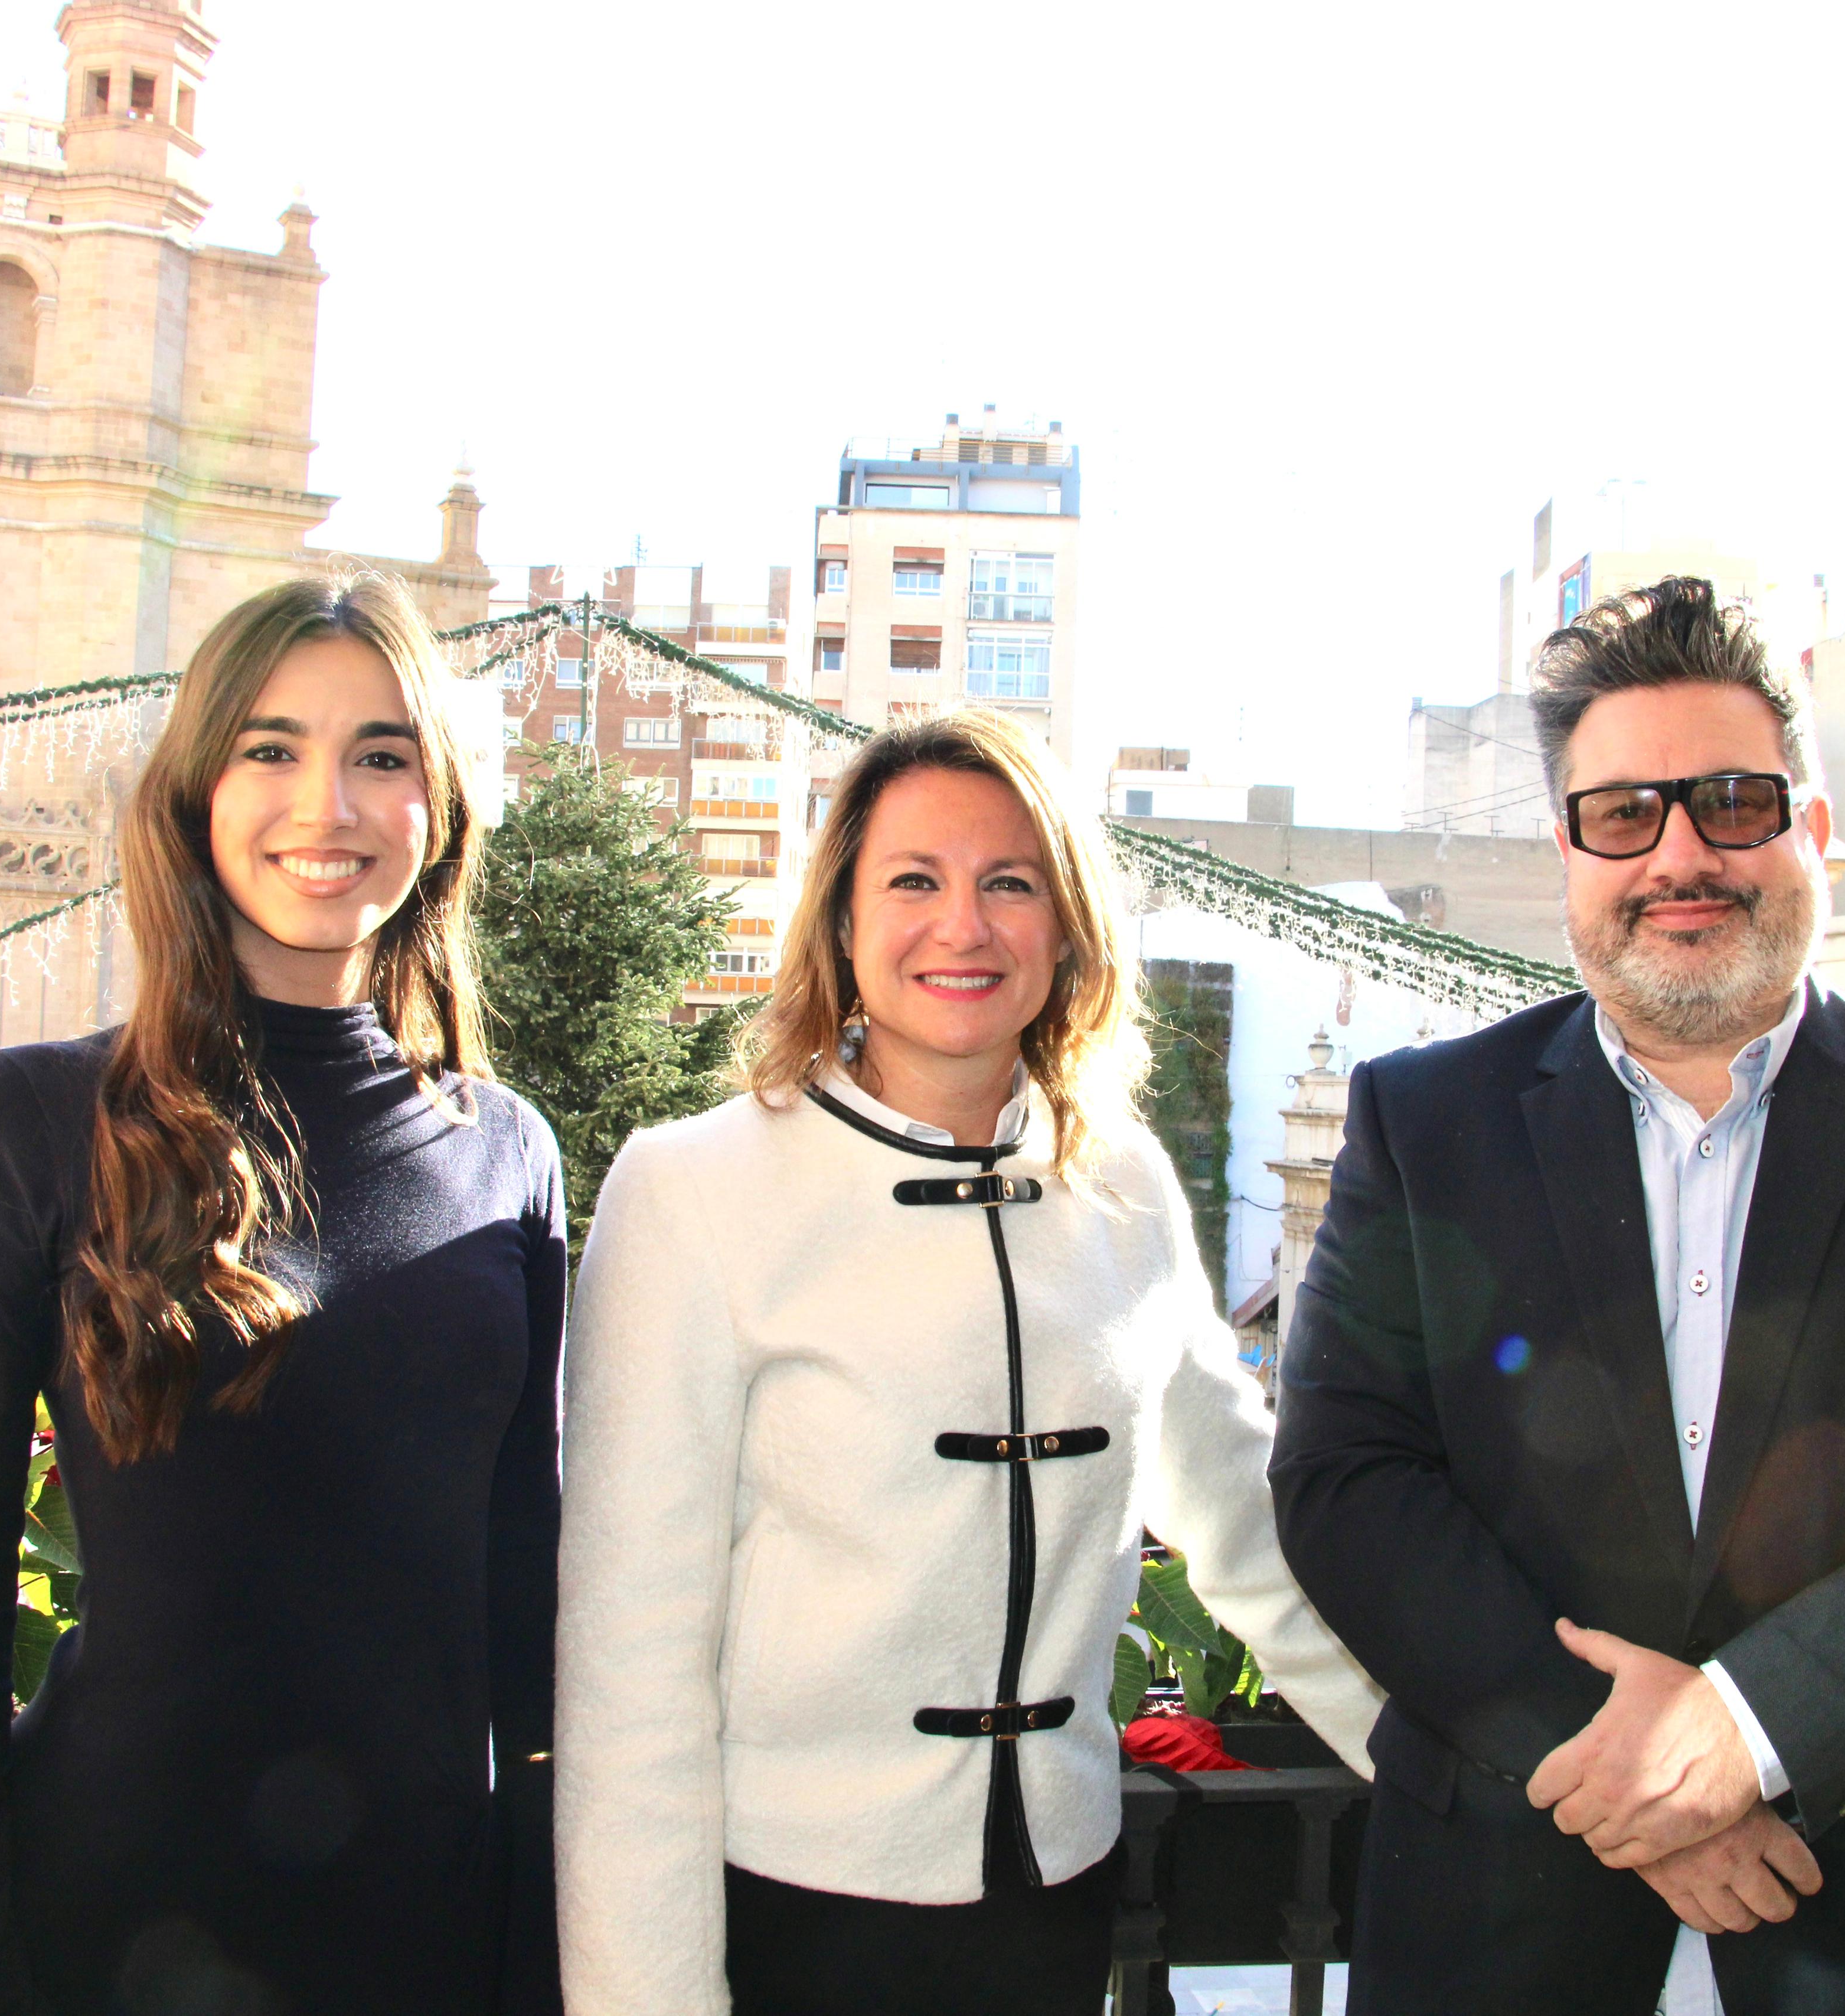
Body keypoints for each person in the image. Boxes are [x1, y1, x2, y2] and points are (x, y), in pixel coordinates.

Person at [1269, 577, 1845, 2015]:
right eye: (1622, 814)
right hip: (1505, 1918)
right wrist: (1621, 1766)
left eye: (1732, 802)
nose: (1678, 854)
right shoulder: (1422, 1122)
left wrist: (1746, 1735)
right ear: (1567, 853)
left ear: (1813, 832)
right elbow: (1344, 1482)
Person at [556, 709, 1383, 2016]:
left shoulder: (1122, 1183)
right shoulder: (692, 1190)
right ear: (840, 924)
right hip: (784, 1919)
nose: (965, 925)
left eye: (1011, 883)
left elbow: (1250, 1531)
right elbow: (628, 1660)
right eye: (914, 882)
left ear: (1066, 930)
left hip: (1055, 1909)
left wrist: (1453, 1768)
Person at [0, 573, 563, 2015]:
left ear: (436, 808)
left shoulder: (509, 1152)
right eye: (271, 748)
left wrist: (540, 1948)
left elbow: (525, 1591)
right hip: (114, 1929)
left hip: (430, 1941)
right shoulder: (28, 1123)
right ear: (196, 792)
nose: (327, 803)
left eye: (381, 755)